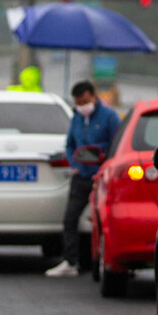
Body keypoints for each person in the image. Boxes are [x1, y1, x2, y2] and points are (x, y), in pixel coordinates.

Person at [45, 79, 119, 278]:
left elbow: (117, 144)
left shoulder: (109, 117)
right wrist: (74, 164)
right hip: (81, 175)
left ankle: (101, 262)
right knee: (70, 218)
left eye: (85, 100)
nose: (82, 105)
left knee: (100, 220)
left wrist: (106, 167)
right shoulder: (76, 118)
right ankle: (70, 261)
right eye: (78, 102)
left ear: (94, 96)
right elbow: (70, 144)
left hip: (101, 177)